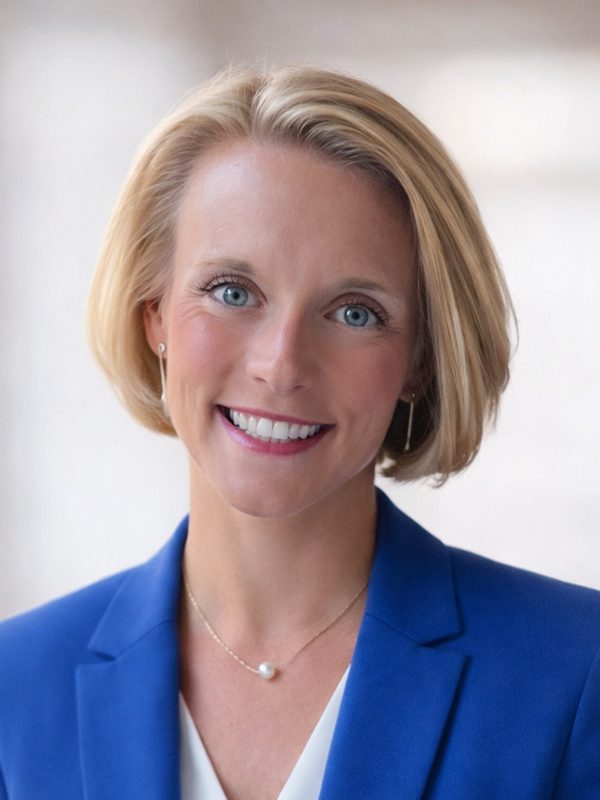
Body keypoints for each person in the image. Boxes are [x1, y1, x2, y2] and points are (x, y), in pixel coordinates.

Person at [0, 64, 599, 800]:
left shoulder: (574, 672)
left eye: (354, 312)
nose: (280, 366)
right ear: (152, 315)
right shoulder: (15, 691)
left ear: (418, 358)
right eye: (231, 292)